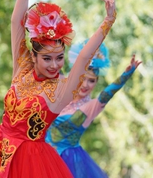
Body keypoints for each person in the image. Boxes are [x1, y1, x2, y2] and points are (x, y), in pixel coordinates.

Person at [0, 0, 117, 178]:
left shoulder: (61, 89)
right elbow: (16, 22)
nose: (55, 65)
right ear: (34, 56)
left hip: (31, 165)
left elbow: (83, 58)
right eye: (47, 58)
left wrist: (108, 20)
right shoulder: (22, 67)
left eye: (59, 58)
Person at [45, 39, 141, 178]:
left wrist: (125, 75)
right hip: (42, 155)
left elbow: (107, 93)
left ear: (96, 83)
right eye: (83, 78)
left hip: (67, 162)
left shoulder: (91, 107)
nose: (86, 84)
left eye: (92, 80)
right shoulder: (59, 95)